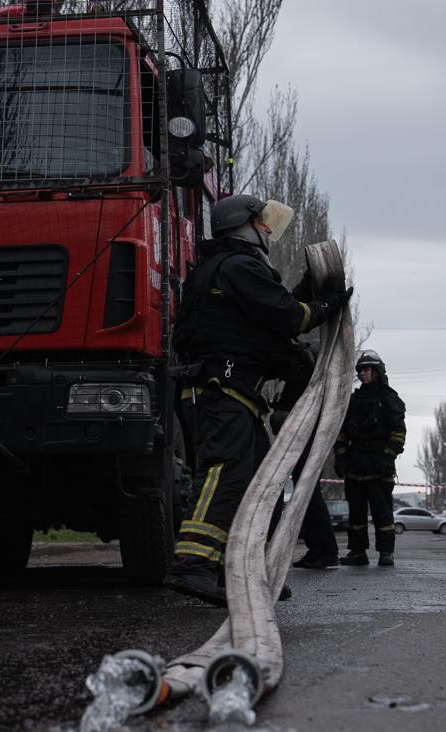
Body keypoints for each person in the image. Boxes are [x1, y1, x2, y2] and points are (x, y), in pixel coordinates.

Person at [163, 194, 352, 606]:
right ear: (244, 225)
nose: (268, 229)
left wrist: (304, 294)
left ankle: (240, 570)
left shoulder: (231, 269)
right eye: (263, 223)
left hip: (238, 393)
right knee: (225, 474)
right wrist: (325, 306)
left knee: (260, 485)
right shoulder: (239, 265)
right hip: (222, 389)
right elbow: (289, 317)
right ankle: (193, 564)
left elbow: (268, 316)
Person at [267, 340, 340, 570]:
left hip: (304, 438)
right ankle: (316, 549)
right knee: (303, 495)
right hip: (300, 437)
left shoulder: (309, 377)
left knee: (308, 494)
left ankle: (327, 551)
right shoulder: (306, 379)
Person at [334, 350, 406, 567]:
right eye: (361, 370)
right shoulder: (354, 400)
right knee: (356, 513)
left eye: (367, 370)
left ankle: (386, 552)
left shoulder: (390, 399)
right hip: (355, 465)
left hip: (379, 465)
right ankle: (357, 552)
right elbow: (342, 432)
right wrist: (340, 456)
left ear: (377, 372)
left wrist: (388, 456)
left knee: (382, 513)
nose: (363, 373)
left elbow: (398, 433)